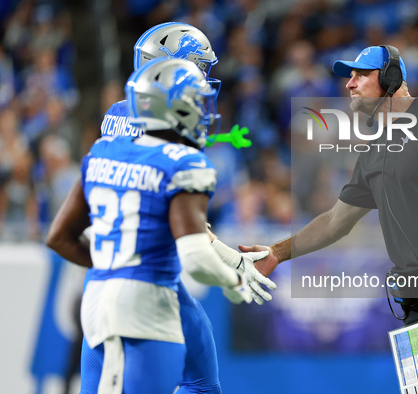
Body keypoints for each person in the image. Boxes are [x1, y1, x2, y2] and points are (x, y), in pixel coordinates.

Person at [241, 45, 418, 393]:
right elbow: (335, 221)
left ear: (390, 78)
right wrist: (277, 253)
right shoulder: (373, 148)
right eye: (349, 77)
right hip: (417, 298)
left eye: (360, 75)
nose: (350, 85)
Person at [47, 23, 275, 394]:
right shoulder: (178, 155)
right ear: (170, 70)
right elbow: (183, 232)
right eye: (199, 70)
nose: (204, 84)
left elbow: (60, 234)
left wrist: (112, 261)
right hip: (149, 283)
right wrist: (231, 271)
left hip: (103, 282)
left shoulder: (114, 130)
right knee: (201, 382)